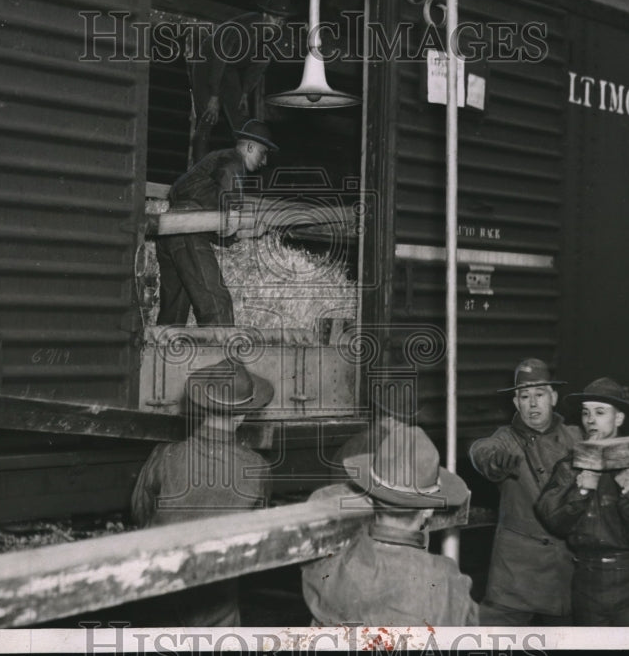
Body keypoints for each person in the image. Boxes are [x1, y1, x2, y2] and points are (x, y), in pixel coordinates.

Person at [129, 357, 274, 626]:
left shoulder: (165, 455)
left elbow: (140, 513)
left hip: (158, 595)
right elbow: (256, 532)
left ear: (202, 408)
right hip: (217, 602)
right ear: (242, 415)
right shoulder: (257, 467)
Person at [301, 424, 479, 626]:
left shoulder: (331, 572)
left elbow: (320, 504)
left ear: (371, 498)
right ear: (429, 509)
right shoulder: (446, 580)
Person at [535, 377, 629, 626]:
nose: (590, 420)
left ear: (619, 418)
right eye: (586, 413)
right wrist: (583, 489)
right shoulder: (569, 466)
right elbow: (552, 521)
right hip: (588, 582)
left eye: (600, 412)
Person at [468, 357, 582, 625]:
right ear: (516, 403)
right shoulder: (506, 439)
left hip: (563, 568)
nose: (532, 403)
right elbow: (481, 449)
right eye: (525, 396)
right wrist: (491, 460)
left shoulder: (575, 437)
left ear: (553, 397)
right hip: (515, 573)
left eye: (539, 394)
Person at [155, 118, 277, 327]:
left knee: (174, 313)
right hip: (187, 229)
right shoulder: (232, 160)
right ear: (249, 146)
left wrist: (243, 233)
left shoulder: (212, 170)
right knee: (217, 306)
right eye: (263, 153)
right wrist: (236, 211)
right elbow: (230, 176)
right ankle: (222, 358)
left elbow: (215, 227)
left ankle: (164, 356)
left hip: (171, 230)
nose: (264, 161)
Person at [190, 0, 295, 162]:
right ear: (266, 15)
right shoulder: (244, 28)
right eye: (276, 18)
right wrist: (214, 96)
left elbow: (258, 67)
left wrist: (245, 93)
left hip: (229, 67)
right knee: (208, 116)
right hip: (208, 60)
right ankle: (197, 171)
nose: (279, 24)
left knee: (239, 118)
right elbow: (219, 58)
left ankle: (240, 167)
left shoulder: (272, 36)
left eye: (283, 20)